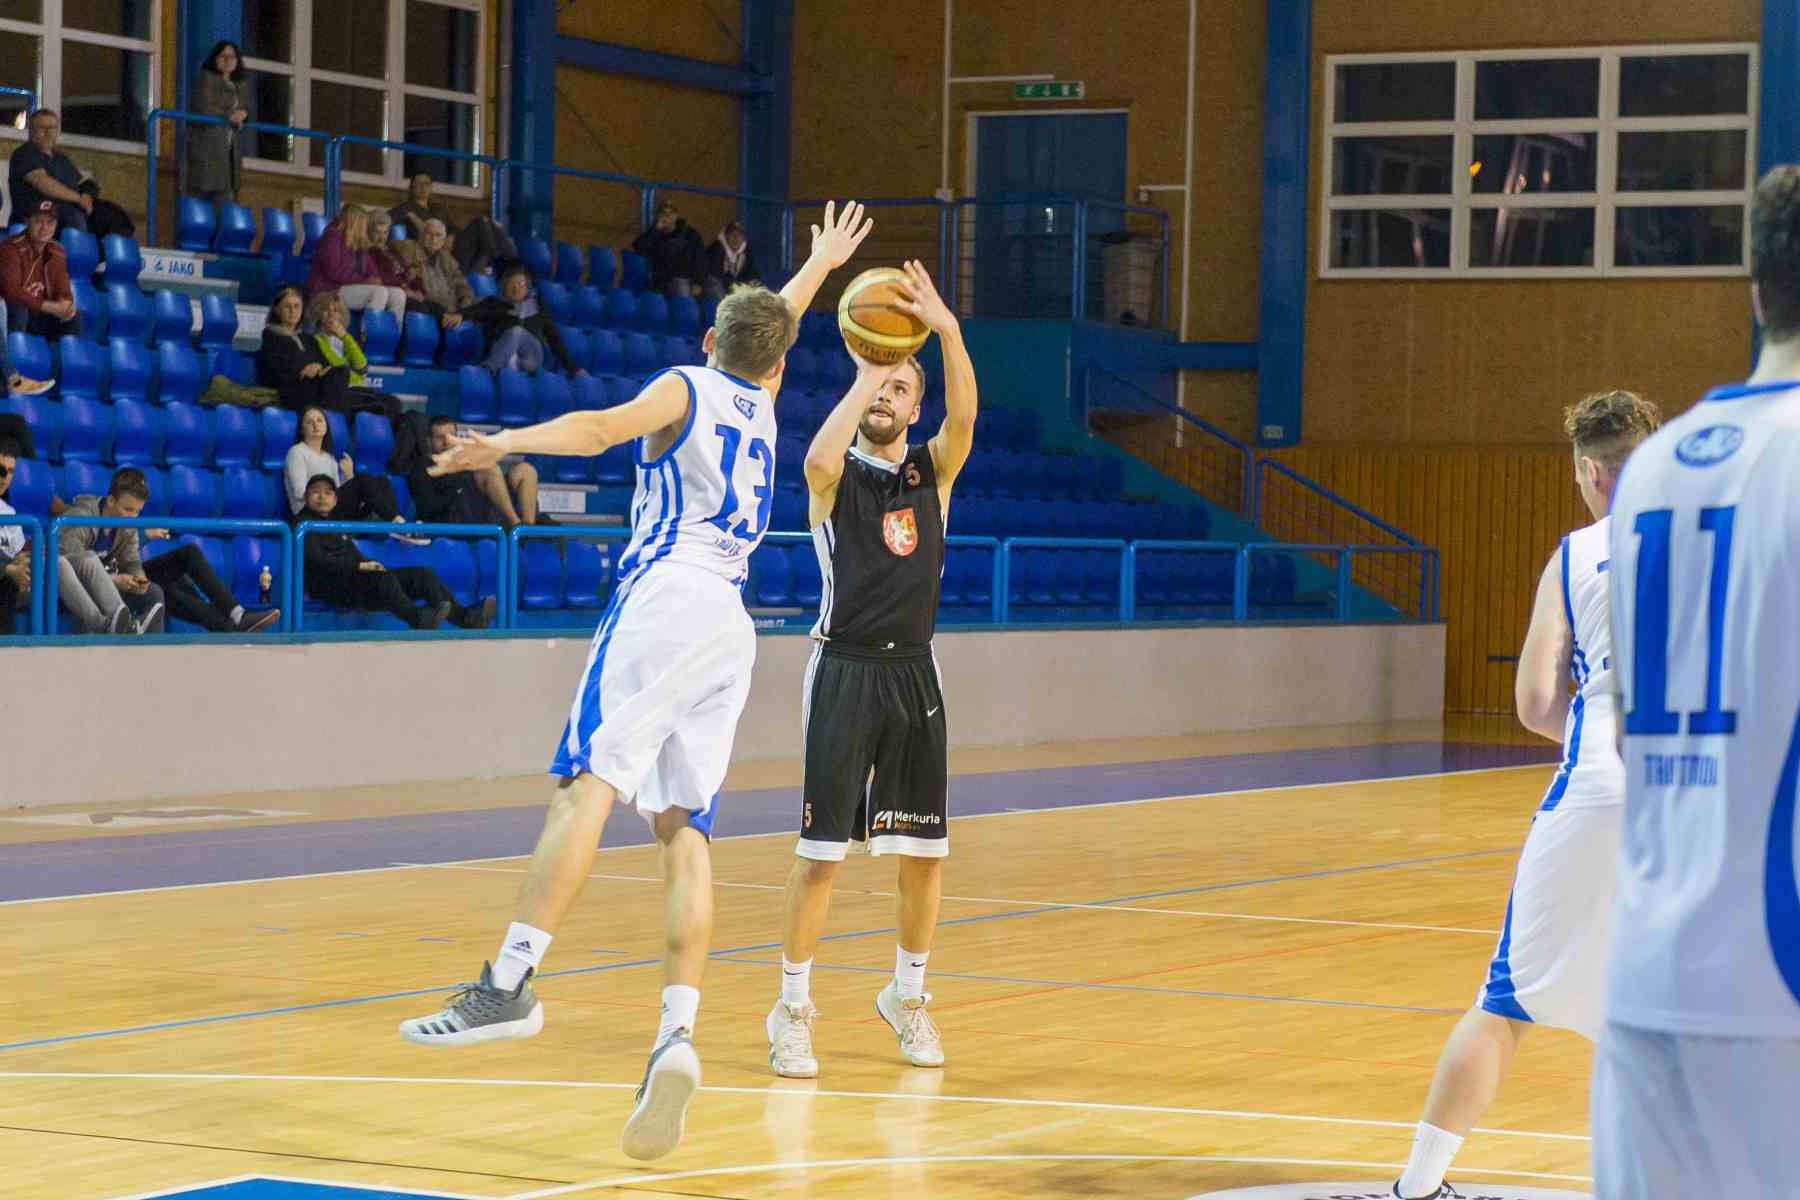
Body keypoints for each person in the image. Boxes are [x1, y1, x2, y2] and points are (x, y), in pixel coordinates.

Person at [396, 201, 874, 1164]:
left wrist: (503, 444)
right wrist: (819, 265)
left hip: (666, 602)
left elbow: (601, 428)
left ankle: (508, 983)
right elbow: (772, 327)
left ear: (708, 343)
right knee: (683, 828)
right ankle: (676, 1033)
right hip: (733, 624)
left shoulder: (689, 385)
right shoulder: (763, 404)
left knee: (587, 784)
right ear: (777, 365)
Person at [1389, 389, 1661, 1200]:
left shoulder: (1576, 554)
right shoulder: (1729, 539)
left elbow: (1537, 704)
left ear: (1590, 471)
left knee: (1506, 1001)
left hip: (1600, 780)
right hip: (1705, 794)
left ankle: (1419, 1185)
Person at [1592, 164, 1800, 1199]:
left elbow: (1629, 727)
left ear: (1756, 289)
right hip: (1777, 983)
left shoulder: (1652, 470)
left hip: (1643, 973)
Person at [765, 260, 976, 1079]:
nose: (887, 396)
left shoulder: (933, 472)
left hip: (915, 674)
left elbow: (965, 418)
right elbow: (816, 461)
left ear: (916, 408)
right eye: (880, 386)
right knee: (821, 855)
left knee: (925, 856)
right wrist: (867, 371)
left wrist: (945, 332)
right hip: (844, 670)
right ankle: (791, 1010)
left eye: (900, 388)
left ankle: (907, 995)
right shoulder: (836, 475)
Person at [295, 475, 493, 629]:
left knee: (422, 575)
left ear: (335, 499)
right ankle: (418, 618)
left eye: (328, 492)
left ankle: (466, 618)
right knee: (383, 578)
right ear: (305, 497)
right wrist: (360, 565)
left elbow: (367, 489)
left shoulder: (337, 522)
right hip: (331, 587)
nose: (322, 497)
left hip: (356, 578)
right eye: (315, 492)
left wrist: (365, 564)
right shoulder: (301, 524)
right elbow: (317, 560)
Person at [56, 468, 163, 635]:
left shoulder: (128, 524)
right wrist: (114, 580)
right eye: (128, 509)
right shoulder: (81, 518)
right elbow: (70, 567)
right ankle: (118, 628)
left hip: (105, 582)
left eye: (137, 512)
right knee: (89, 561)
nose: (132, 517)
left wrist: (138, 578)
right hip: (68, 585)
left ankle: (145, 644)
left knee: (153, 592)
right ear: (111, 501)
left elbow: (131, 560)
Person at [283, 404, 407, 532]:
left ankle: (391, 527)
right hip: (310, 514)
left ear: (326, 426)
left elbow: (337, 492)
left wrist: (349, 476)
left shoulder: (329, 457)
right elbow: (299, 492)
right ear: (302, 429)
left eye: (320, 420)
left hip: (331, 511)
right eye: (309, 422)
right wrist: (350, 486)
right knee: (363, 480)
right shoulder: (297, 452)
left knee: (382, 481)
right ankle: (396, 523)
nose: (316, 425)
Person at [409, 416, 539, 529]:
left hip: (488, 505)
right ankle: (516, 525)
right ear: (429, 441)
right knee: (488, 469)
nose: (447, 442)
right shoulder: (422, 468)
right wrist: (458, 486)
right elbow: (427, 507)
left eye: (451, 436)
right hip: (458, 515)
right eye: (439, 437)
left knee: (525, 470)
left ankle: (528, 527)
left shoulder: (466, 457)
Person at [141, 539, 279, 633]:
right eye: (130, 511)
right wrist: (145, 534)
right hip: (129, 579)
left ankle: (236, 618)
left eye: (137, 512)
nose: (134, 516)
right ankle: (233, 626)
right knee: (166, 590)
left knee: (187, 558)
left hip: (137, 572)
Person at [464, 265, 579, 375]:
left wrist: (572, 369)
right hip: (504, 356)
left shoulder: (538, 306)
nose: (516, 289)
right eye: (511, 285)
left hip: (530, 358)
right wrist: (460, 315)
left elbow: (554, 338)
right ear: (504, 288)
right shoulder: (496, 303)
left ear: (527, 287)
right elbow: (475, 311)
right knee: (508, 352)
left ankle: (487, 369)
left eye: (521, 284)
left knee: (516, 331)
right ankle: (505, 370)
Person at [0, 201, 82, 341]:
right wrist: (49, 307)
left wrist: (65, 305)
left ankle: (63, 355)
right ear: (28, 222)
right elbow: (12, 291)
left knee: (73, 316)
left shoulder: (58, 251)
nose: (44, 227)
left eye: (50, 222)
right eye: (38, 221)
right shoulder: (10, 248)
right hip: (14, 314)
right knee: (19, 309)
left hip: (39, 316)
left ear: (56, 225)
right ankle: (15, 352)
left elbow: (64, 291)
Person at [306, 205, 407, 319]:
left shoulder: (359, 242)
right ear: (354, 223)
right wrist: (364, 280)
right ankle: (369, 330)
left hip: (351, 287)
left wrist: (379, 279)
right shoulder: (332, 237)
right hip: (330, 289)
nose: (365, 228)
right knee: (379, 292)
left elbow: (372, 271)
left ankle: (391, 330)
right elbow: (334, 271)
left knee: (398, 294)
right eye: (363, 224)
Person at [7, 110, 90, 233]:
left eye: (52, 128)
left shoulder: (62, 159)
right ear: (31, 130)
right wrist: (79, 199)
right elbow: (44, 183)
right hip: (34, 216)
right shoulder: (24, 154)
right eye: (42, 128)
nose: (48, 133)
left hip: (65, 214)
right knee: (73, 216)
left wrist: (88, 196)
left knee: (106, 217)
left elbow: (82, 183)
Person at [186, 41, 247, 206]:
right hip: (207, 152)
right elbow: (204, 108)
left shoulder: (239, 85)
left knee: (226, 209)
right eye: (223, 56)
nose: (228, 60)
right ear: (215, 59)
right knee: (202, 209)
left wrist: (244, 114)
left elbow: (245, 109)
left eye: (232, 56)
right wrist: (230, 116)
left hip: (230, 155)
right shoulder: (206, 78)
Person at [407, 219, 476, 330]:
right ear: (421, 236)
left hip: (454, 309)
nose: (433, 239)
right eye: (429, 234)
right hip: (433, 308)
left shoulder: (448, 259)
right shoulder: (411, 253)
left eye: (438, 235)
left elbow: (462, 285)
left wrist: (464, 306)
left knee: (490, 304)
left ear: (443, 241)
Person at [632, 202, 706, 297]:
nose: (667, 217)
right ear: (658, 216)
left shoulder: (689, 234)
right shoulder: (655, 234)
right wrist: (655, 230)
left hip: (683, 279)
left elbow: (700, 258)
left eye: (670, 213)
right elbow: (639, 248)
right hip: (660, 281)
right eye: (663, 214)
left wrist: (698, 282)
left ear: (676, 216)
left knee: (680, 286)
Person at [0, 435, 30, 634]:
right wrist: (9, 569)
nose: (5, 477)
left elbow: (19, 553)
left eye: (10, 472)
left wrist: (22, 561)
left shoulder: (9, 512)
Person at [391, 172, 457, 241]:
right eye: (419, 183)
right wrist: (411, 216)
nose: (423, 187)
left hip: (442, 244)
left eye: (426, 184)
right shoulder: (405, 208)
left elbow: (453, 228)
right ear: (412, 187)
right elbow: (388, 221)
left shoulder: (439, 209)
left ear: (431, 188)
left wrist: (451, 238)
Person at [704, 221, 760, 299]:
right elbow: (714, 276)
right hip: (716, 290)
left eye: (739, 235)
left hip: (734, 289)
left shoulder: (746, 252)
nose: (736, 238)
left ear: (743, 238)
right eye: (732, 235)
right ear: (726, 236)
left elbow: (752, 273)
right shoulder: (717, 250)